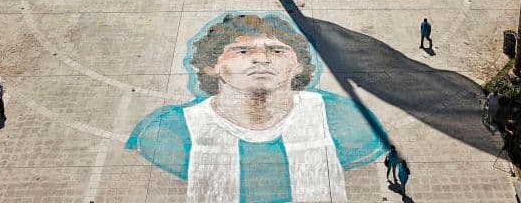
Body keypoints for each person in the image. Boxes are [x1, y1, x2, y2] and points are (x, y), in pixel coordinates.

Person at [127, 13, 386, 202]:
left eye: (276, 51)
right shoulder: (171, 129)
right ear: (210, 65)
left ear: (299, 65)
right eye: (241, 51)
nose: (261, 58)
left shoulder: (344, 118)